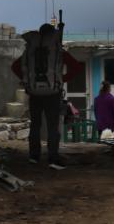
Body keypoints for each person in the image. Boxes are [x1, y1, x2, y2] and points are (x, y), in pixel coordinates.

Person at [11, 23, 81, 170]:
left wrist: (26, 80)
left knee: (35, 125)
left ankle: (33, 157)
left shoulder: (30, 50)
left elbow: (15, 67)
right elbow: (76, 67)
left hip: (34, 93)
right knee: (52, 127)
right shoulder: (58, 50)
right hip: (53, 94)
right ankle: (52, 159)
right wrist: (60, 80)